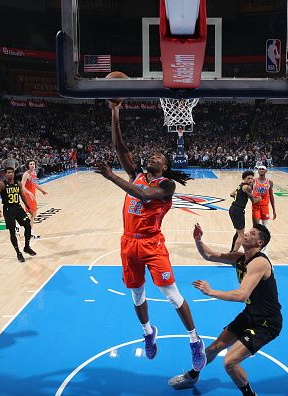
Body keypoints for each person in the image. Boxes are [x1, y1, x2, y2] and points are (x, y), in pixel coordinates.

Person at [93, 100, 206, 371]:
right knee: (136, 295)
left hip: (152, 244)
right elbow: (120, 147)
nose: (153, 156)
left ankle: (194, 341)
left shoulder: (166, 184)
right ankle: (148, 332)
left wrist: (111, 177)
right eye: (151, 155)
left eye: (159, 156)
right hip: (128, 242)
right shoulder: (136, 175)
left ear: (165, 166)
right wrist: (115, 113)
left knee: (171, 294)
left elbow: (142, 195)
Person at [168, 223, 281, 396]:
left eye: (252, 233)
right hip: (250, 314)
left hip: (266, 323)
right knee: (213, 349)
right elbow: (209, 255)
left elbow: (242, 295)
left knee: (230, 362)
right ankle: (192, 376)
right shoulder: (240, 258)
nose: (247, 233)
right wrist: (198, 240)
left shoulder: (260, 262)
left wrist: (211, 291)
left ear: (259, 242)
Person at [0, 167, 36, 262]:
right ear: (5, 174)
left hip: (18, 207)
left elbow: (23, 196)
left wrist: (28, 208)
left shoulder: (18, 183)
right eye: (8, 172)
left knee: (28, 225)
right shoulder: (2, 184)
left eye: (11, 172)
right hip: (8, 210)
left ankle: (27, 247)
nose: (10, 174)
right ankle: (18, 253)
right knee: (13, 232)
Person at [230, 171, 260, 252]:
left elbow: (232, 194)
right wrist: (260, 198)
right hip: (238, 211)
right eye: (248, 178)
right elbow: (253, 200)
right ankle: (233, 254)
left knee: (238, 233)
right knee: (241, 235)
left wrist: (239, 197)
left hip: (233, 209)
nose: (251, 180)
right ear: (244, 179)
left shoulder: (240, 185)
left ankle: (232, 250)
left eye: (252, 178)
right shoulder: (247, 187)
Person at [251, 166, 276, 253]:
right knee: (256, 228)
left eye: (262, 169)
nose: (261, 170)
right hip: (256, 207)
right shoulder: (253, 181)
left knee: (265, 229)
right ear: (257, 171)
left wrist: (274, 210)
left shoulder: (269, 182)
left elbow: (271, 196)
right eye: (259, 169)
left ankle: (265, 250)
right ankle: (255, 248)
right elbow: (249, 194)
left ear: (266, 170)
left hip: (265, 207)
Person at [21, 160, 48, 239]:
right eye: (30, 164)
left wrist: (42, 190)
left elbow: (35, 184)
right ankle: (30, 233)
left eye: (33, 164)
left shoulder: (34, 173)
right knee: (33, 214)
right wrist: (29, 193)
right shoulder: (26, 174)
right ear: (28, 165)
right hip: (27, 196)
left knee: (28, 213)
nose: (32, 165)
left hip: (32, 195)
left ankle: (18, 226)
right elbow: (22, 186)